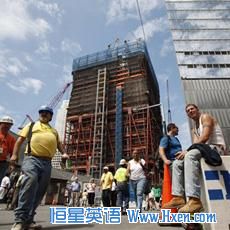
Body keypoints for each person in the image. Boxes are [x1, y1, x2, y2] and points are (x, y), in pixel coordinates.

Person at [10, 105, 69, 230]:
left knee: (40, 191)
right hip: (32, 158)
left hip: (48, 162)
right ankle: (19, 220)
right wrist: (15, 155)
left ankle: (29, 220)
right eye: (42, 112)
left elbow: (59, 144)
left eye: (47, 112)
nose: (44, 114)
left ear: (51, 116)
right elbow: (19, 141)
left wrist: (64, 153)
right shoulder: (31, 126)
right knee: (30, 182)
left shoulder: (54, 131)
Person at [163, 104, 226, 213]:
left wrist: (187, 152)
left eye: (192, 109)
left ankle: (194, 199)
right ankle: (178, 197)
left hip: (216, 148)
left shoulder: (205, 117)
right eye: (187, 110)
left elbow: (205, 138)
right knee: (177, 162)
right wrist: (184, 153)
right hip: (204, 149)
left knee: (190, 155)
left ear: (197, 109)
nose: (190, 111)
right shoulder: (194, 129)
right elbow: (196, 144)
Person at [127, 148, 147, 213]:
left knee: (139, 193)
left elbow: (146, 169)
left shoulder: (142, 161)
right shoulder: (130, 162)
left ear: (139, 154)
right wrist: (128, 175)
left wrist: (141, 164)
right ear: (132, 155)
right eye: (134, 153)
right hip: (132, 180)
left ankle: (138, 210)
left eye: (136, 153)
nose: (135, 154)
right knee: (135, 194)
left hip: (141, 178)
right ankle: (138, 206)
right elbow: (127, 172)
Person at [0, 116, 16, 184]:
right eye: (5, 124)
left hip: (3, 163)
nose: (7, 126)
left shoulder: (11, 139)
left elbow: (13, 153)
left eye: (9, 125)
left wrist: (12, 164)